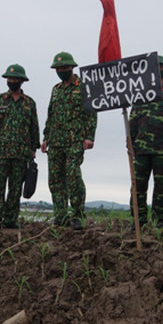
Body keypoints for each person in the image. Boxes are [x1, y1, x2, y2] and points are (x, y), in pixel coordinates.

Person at [41, 51, 97, 230]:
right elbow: (51, 114)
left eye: (64, 67)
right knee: (55, 180)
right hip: (56, 141)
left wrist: (89, 136)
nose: (61, 70)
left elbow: (91, 112)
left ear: (72, 67)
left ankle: (78, 215)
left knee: (73, 175)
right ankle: (60, 215)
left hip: (75, 140)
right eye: (58, 68)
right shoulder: (56, 90)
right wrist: (46, 138)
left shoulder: (83, 86)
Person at [0, 64, 40, 229]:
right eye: (9, 78)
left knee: (15, 189)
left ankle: (10, 220)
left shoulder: (29, 103)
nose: (12, 81)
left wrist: (34, 148)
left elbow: (34, 127)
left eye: (15, 79)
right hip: (0, 152)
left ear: (21, 81)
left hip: (21, 153)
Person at [129, 55, 163, 228]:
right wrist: (130, 143)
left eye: (160, 67)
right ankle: (139, 220)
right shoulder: (140, 93)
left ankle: (160, 219)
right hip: (141, 148)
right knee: (137, 186)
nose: (157, 70)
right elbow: (133, 119)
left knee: (162, 187)